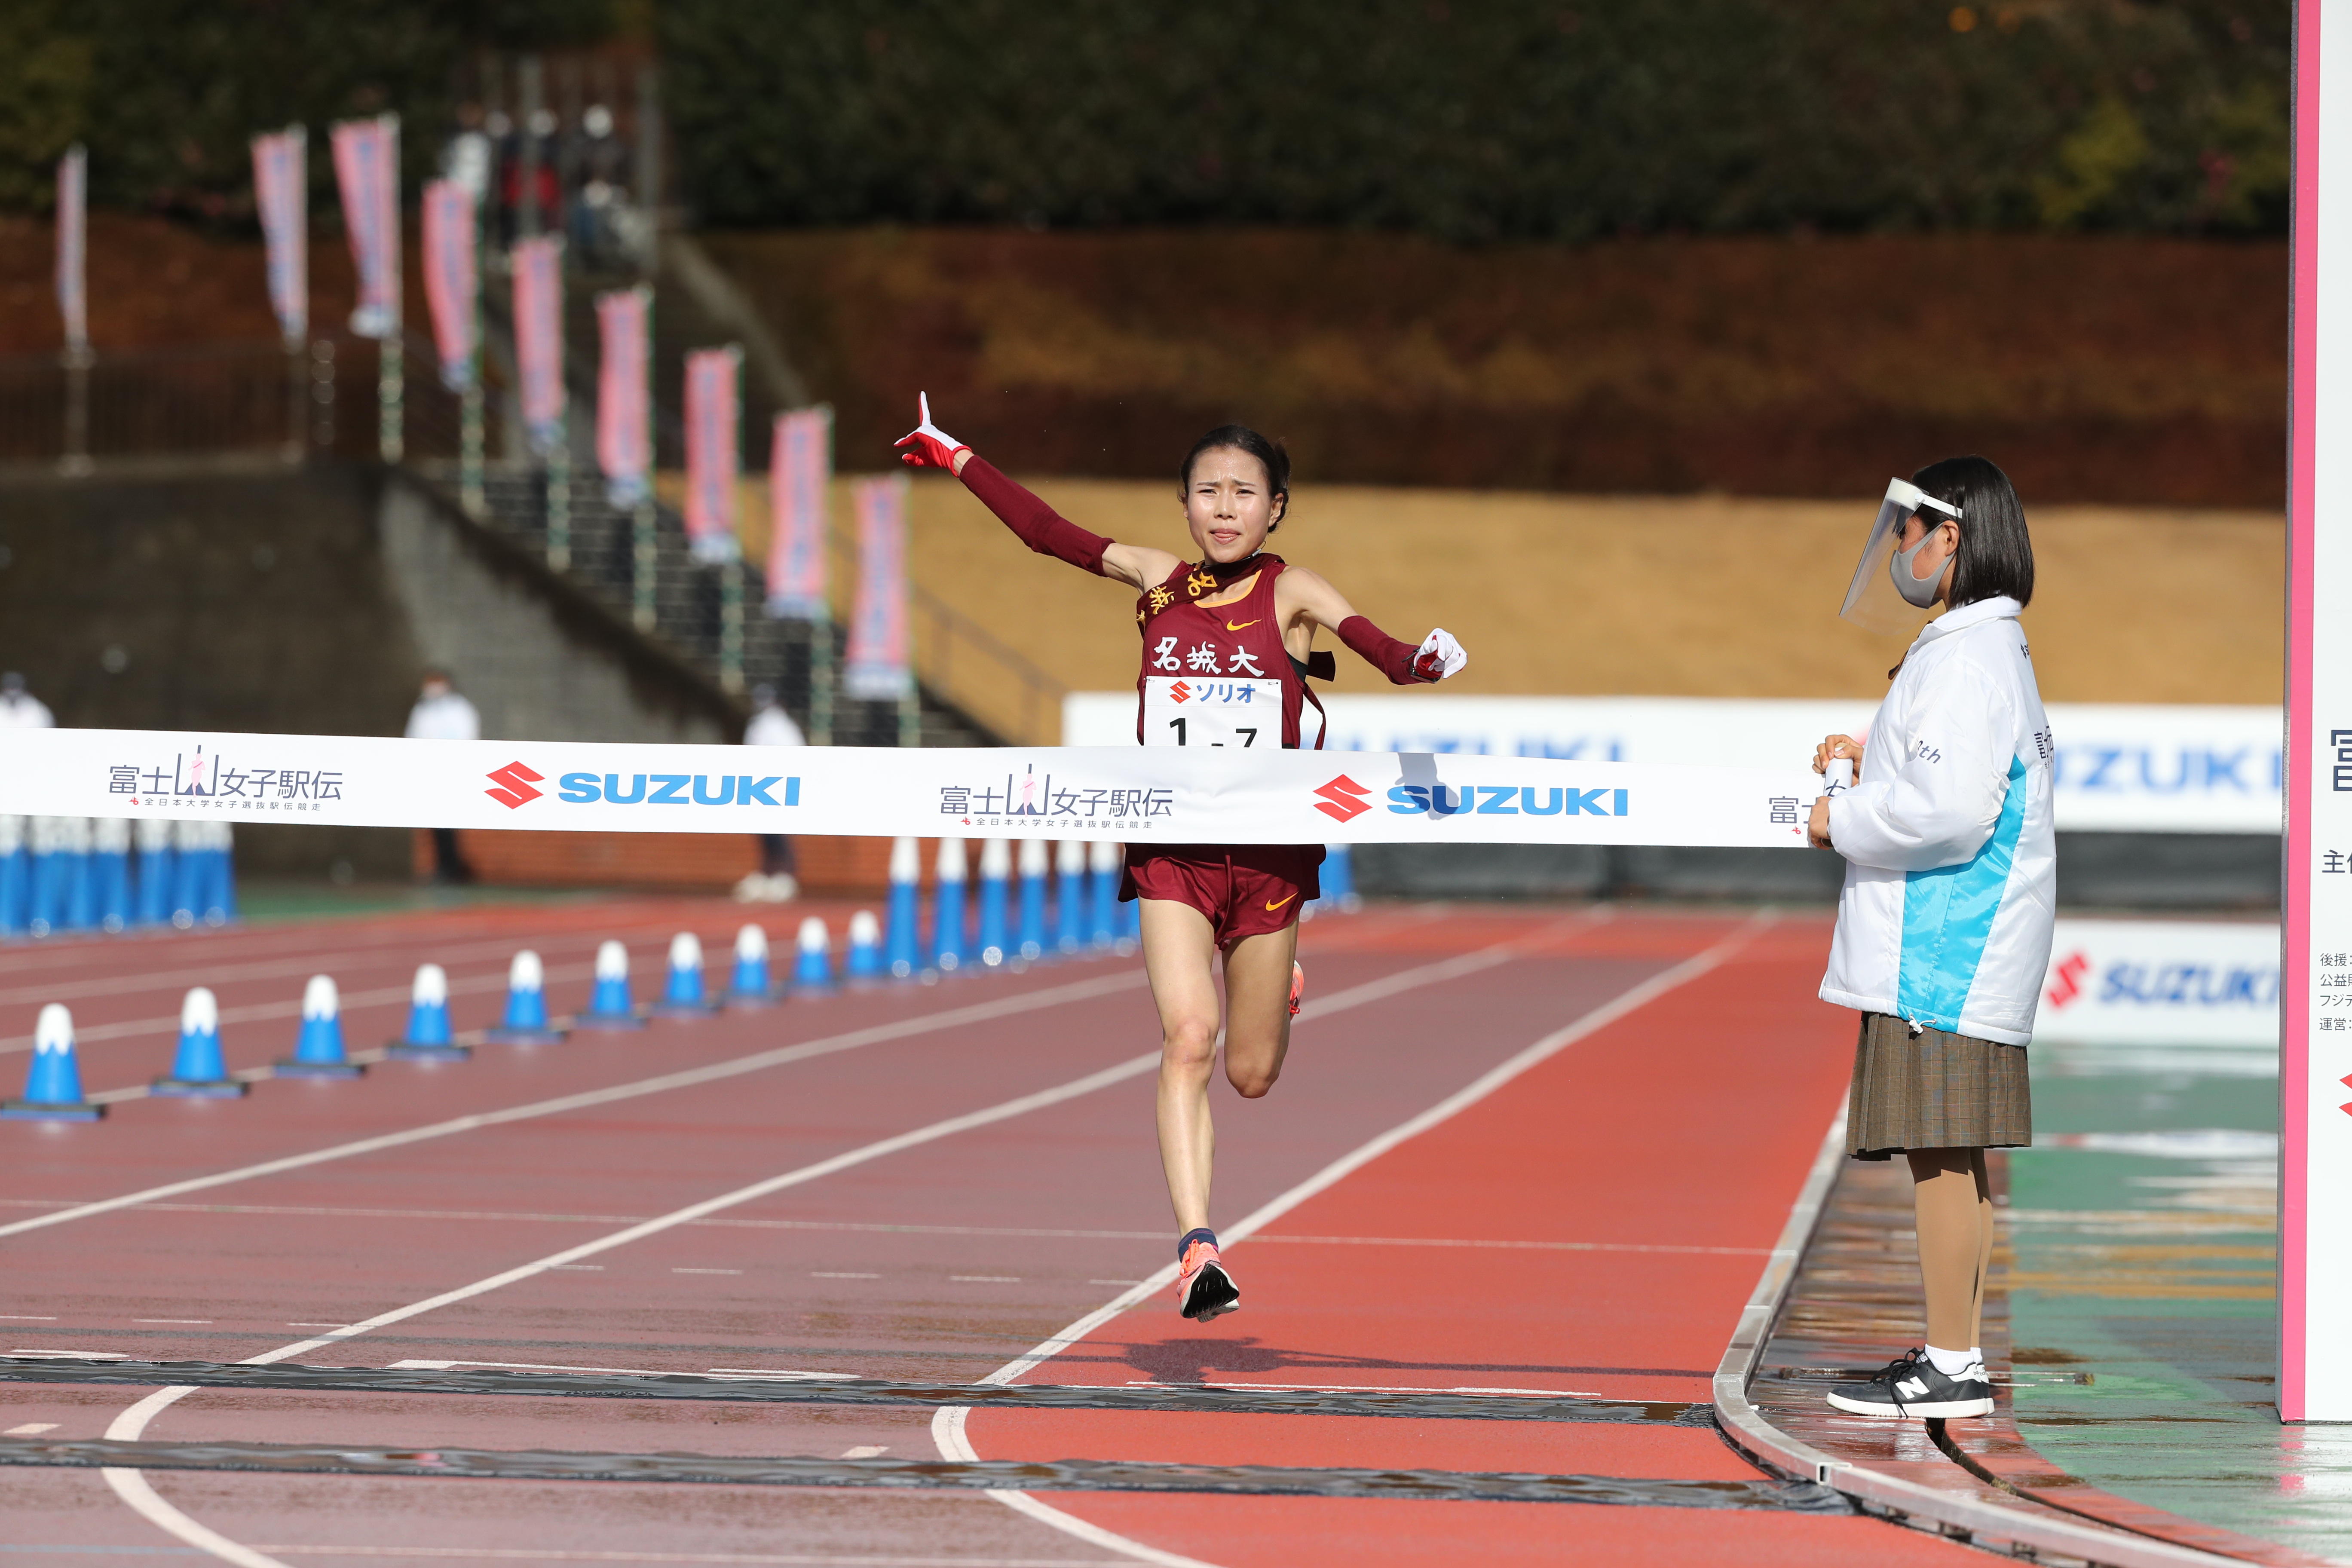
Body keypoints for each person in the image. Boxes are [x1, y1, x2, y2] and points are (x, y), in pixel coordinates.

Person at [896, 394, 1467, 1320]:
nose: (1226, 508)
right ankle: (1199, 1247)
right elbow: (1048, 534)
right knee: (1187, 1039)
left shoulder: (1296, 593)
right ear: (1185, 504)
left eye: (1245, 492)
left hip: (1272, 862)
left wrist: (1427, 661)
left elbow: (1387, 654)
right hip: (1172, 851)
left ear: (1275, 506)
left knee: (1251, 1072)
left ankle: (1278, 990)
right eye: (1208, 492)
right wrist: (955, 454)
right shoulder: (1161, 580)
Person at [1808, 456, 2055, 1421]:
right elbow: (1952, 782)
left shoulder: (1962, 657)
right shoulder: (1982, 648)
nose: (1898, 551)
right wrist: (1875, 767)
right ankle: (1953, 1351)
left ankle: (1953, 1366)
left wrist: (1842, 819)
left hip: (1946, 943)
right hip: (1960, 938)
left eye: (1909, 533)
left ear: (1951, 537)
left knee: (1941, 1153)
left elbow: (1949, 814)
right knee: (1949, 1155)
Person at [404, 668, 481, 885]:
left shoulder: (460, 710)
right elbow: (412, 738)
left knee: (448, 822)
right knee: (433, 823)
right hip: (428, 773)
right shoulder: (423, 710)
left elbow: (468, 738)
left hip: (451, 772)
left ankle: (452, 868)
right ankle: (443, 867)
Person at [738, 683, 804, 903]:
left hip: (775, 785)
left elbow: (794, 753)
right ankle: (770, 875)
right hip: (761, 785)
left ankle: (784, 876)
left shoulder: (779, 725)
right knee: (767, 834)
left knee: (776, 833)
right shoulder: (762, 723)